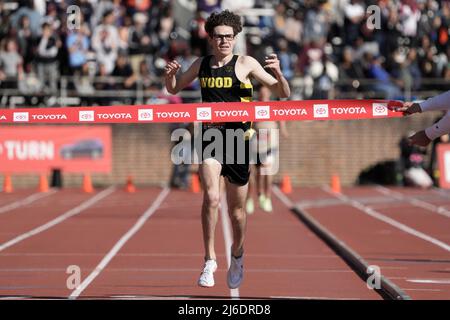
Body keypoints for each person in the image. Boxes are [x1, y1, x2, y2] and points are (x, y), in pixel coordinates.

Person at [165, 10, 290, 289]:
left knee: (237, 213)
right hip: (211, 137)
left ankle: (238, 254)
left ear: (235, 38)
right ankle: (209, 259)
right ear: (210, 39)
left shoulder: (246, 63)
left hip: (239, 141)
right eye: (219, 36)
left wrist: (279, 74)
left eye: (229, 37)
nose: (224, 41)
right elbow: (174, 89)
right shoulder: (202, 64)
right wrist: (170, 77)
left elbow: (284, 93)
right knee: (210, 197)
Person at [246, 85, 288, 214]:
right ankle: (251, 198)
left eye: (266, 93)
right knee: (253, 173)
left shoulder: (274, 106)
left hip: (270, 145)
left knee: (267, 170)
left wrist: (283, 130)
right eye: (261, 93)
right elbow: (248, 122)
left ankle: (267, 197)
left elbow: (281, 119)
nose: (263, 95)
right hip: (255, 144)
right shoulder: (253, 106)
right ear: (259, 95)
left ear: (269, 94)